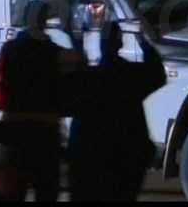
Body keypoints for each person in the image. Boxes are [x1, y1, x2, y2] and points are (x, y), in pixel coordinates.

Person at [68, 22, 166, 201]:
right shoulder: (130, 74)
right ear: (120, 43)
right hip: (125, 159)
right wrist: (143, 41)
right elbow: (157, 74)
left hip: (90, 159)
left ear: (101, 44)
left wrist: (76, 41)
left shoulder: (88, 77)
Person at [0, 0, 68, 201]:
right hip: (46, 130)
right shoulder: (56, 53)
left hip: (16, 129)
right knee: (46, 190)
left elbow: (3, 84)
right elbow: (65, 93)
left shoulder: (10, 50)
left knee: (14, 191)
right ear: (45, 20)